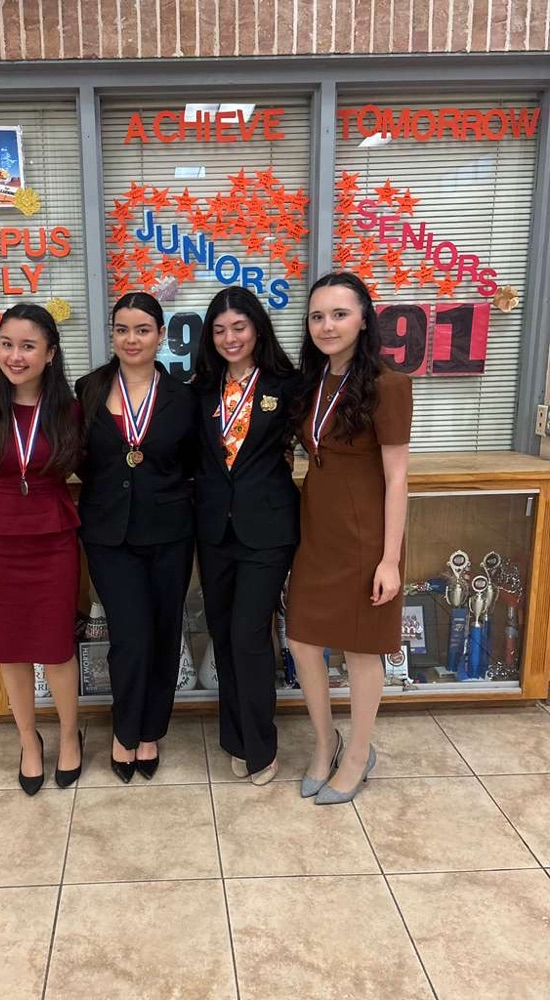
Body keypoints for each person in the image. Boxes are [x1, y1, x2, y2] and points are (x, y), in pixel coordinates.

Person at [286, 271, 412, 804]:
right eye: (318, 316)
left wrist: (390, 560)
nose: (327, 325)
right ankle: (324, 742)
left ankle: (359, 753)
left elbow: (397, 475)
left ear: (364, 319)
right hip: (317, 530)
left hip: (366, 538)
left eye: (340, 314)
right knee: (302, 640)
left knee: (361, 651)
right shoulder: (311, 381)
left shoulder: (387, 383)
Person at [0, 302, 83, 795]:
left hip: (53, 542)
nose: (15, 355)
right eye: (6, 344)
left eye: (28, 345)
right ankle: (29, 741)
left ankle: (70, 736)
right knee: (9, 653)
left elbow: (99, 471)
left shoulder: (69, 409)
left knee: (57, 649)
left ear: (50, 353)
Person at [75, 292, 198, 783]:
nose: (132, 339)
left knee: (166, 633)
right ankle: (124, 732)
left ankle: (151, 732)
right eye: (122, 329)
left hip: (169, 531)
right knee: (129, 636)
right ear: (113, 334)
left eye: (143, 329)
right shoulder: (86, 389)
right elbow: (78, 457)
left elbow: (192, 463)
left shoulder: (185, 396)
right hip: (108, 533)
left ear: (161, 335)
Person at [192, 286, 301, 785]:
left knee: (249, 636)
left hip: (267, 531)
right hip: (214, 530)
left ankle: (261, 747)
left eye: (239, 327)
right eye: (219, 330)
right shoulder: (200, 389)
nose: (229, 338)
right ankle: (234, 736)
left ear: (257, 328)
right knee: (223, 633)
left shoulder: (289, 384)